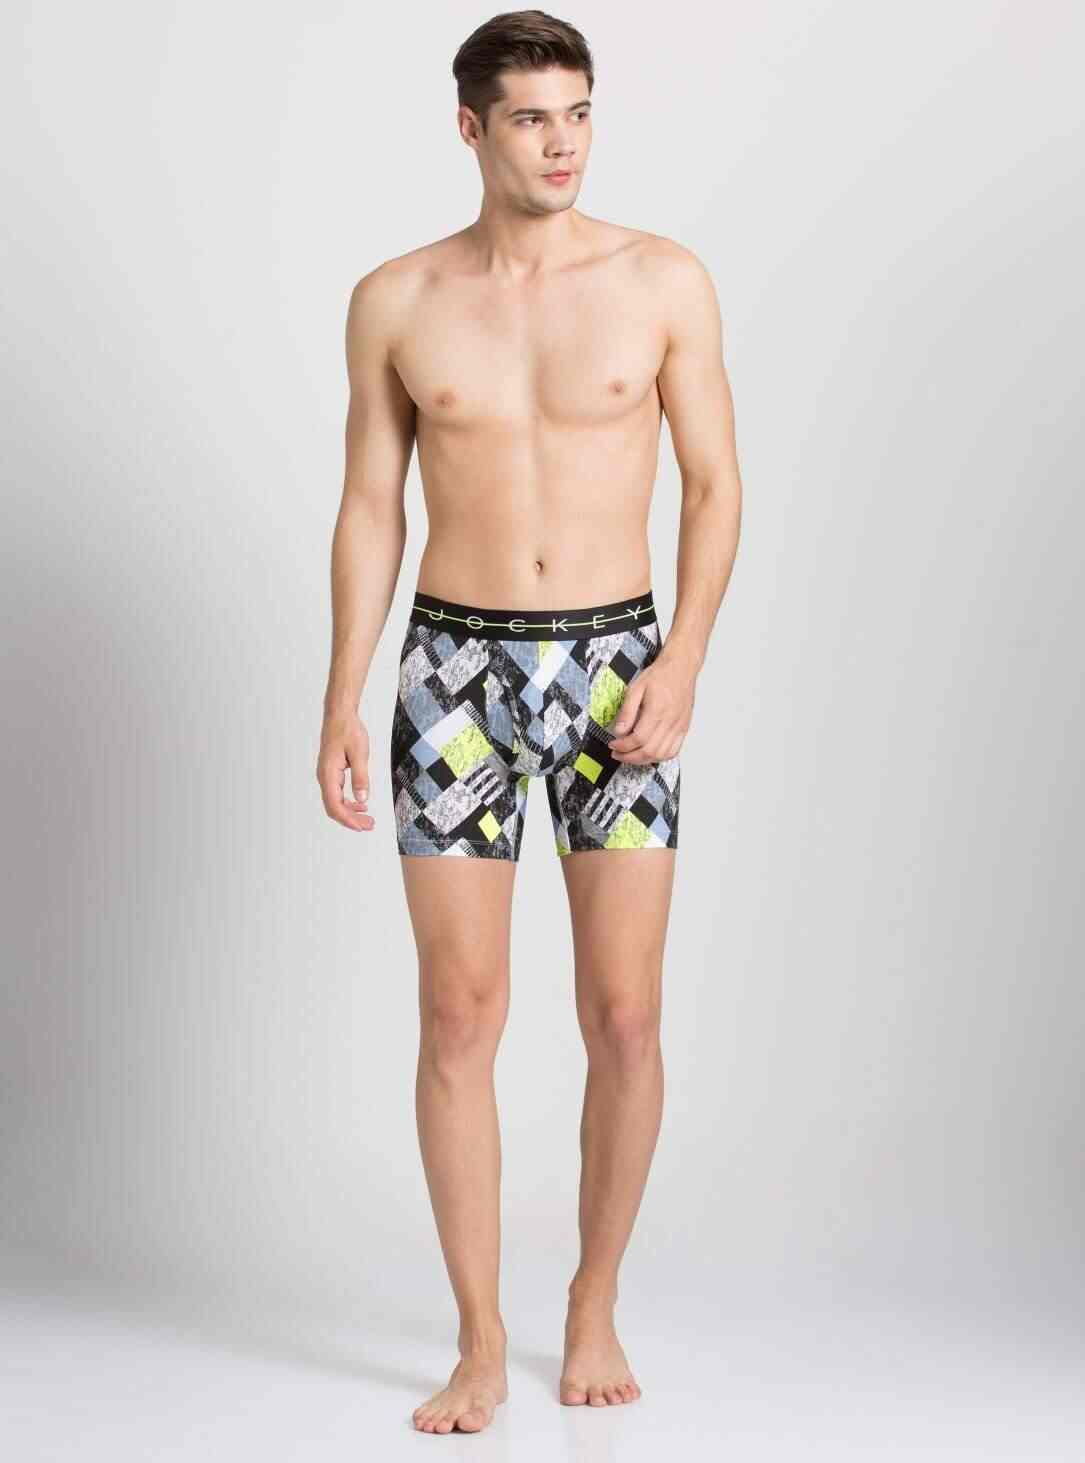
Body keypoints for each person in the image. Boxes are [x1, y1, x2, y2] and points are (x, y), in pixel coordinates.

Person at [316, 9, 742, 1436]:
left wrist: (683, 659)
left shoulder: (661, 279)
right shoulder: (397, 298)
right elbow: (369, 504)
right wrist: (342, 694)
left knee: (624, 1012)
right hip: (454, 678)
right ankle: (480, 1338)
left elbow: (715, 482)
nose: (562, 143)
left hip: (618, 670)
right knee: (459, 1013)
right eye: (530, 118)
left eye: (578, 113)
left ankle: (593, 1297)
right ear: (470, 128)